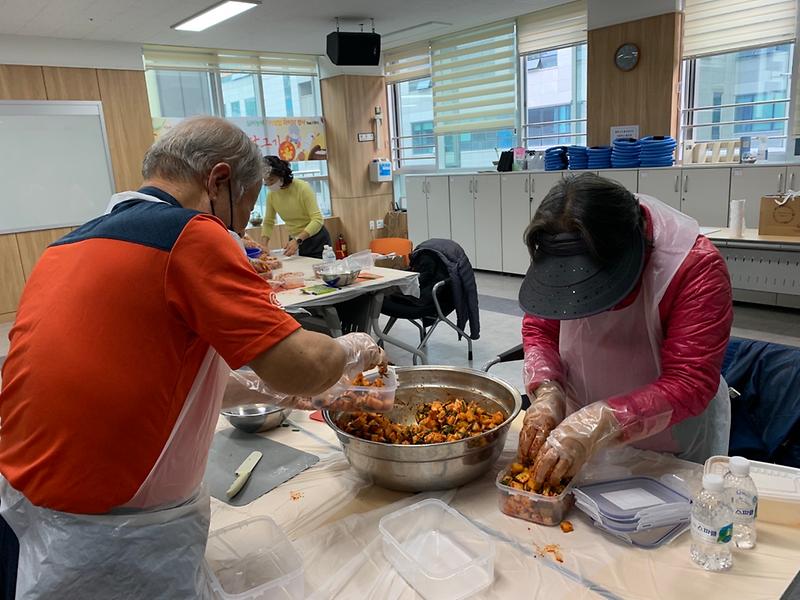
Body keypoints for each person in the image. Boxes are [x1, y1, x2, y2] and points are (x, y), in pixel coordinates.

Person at [0, 116, 387, 599]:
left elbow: (179, 379)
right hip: (108, 532)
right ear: (219, 181)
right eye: (241, 212)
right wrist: (352, 349)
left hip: (28, 512)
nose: (238, 232)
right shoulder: (189, 233)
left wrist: (301, 394)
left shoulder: (68, 245)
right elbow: (302, 362)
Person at [517, 173, 733, 489]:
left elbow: (690, 381)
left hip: (670, 439)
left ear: (634, 253)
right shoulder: (564, 245)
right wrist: (548, 392)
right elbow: (540, 328)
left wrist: (601, 421)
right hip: (575, 434)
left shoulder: (694, 267)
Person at [262, 156, 331, 258]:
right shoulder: (271, 195)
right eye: (266, 181)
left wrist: (298, 240)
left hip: (316, 240)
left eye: (271, 180)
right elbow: (268, 222)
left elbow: (317, 219)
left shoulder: (302, 188)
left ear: (281, 175)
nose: (269, 184)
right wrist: (263, 245)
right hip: (295, 241)